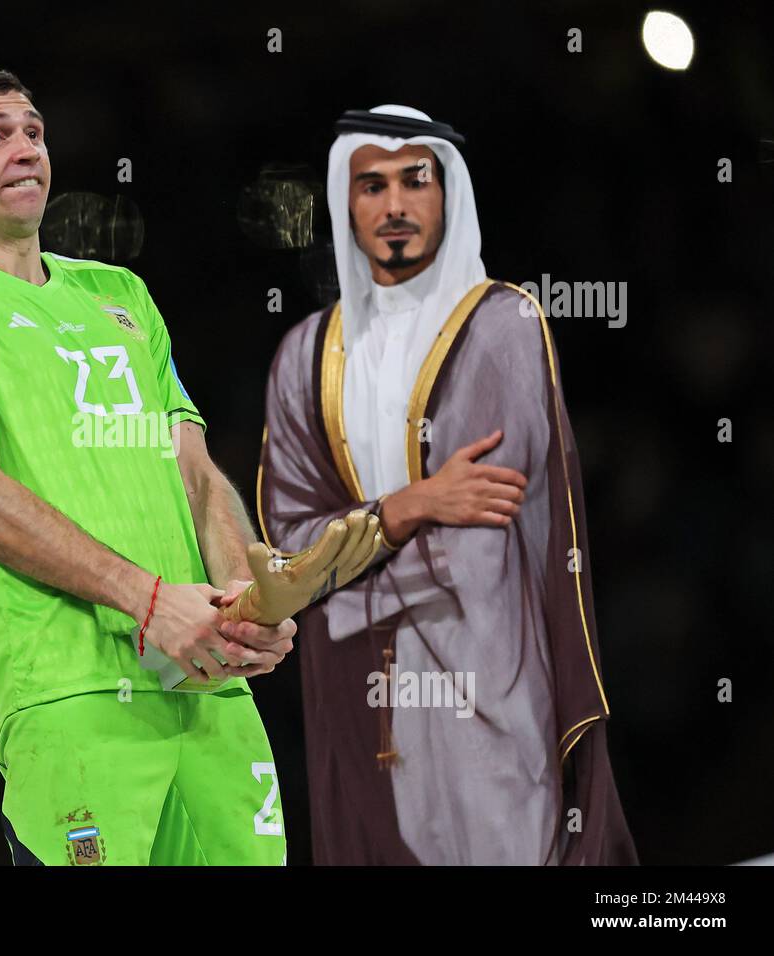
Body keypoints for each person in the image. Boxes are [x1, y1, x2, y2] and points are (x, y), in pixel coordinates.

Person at [0, 67, 296, 865]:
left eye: (34, 132)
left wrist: (244, 599)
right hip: (71, 695)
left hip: (209, 690)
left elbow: (196, 473)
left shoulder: (119, 291)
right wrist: (149, 600)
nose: (26, 149)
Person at [257, 104, 637, 864]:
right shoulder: (304, 356)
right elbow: (284, 550)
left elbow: (481, 540)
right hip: (355, 690)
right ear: (345, 202)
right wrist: (411, 505)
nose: (394, 206)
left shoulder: (504, 325)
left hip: (487, 674)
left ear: (446, 193)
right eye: (371, 186)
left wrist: (348, 579)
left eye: (413, 181)